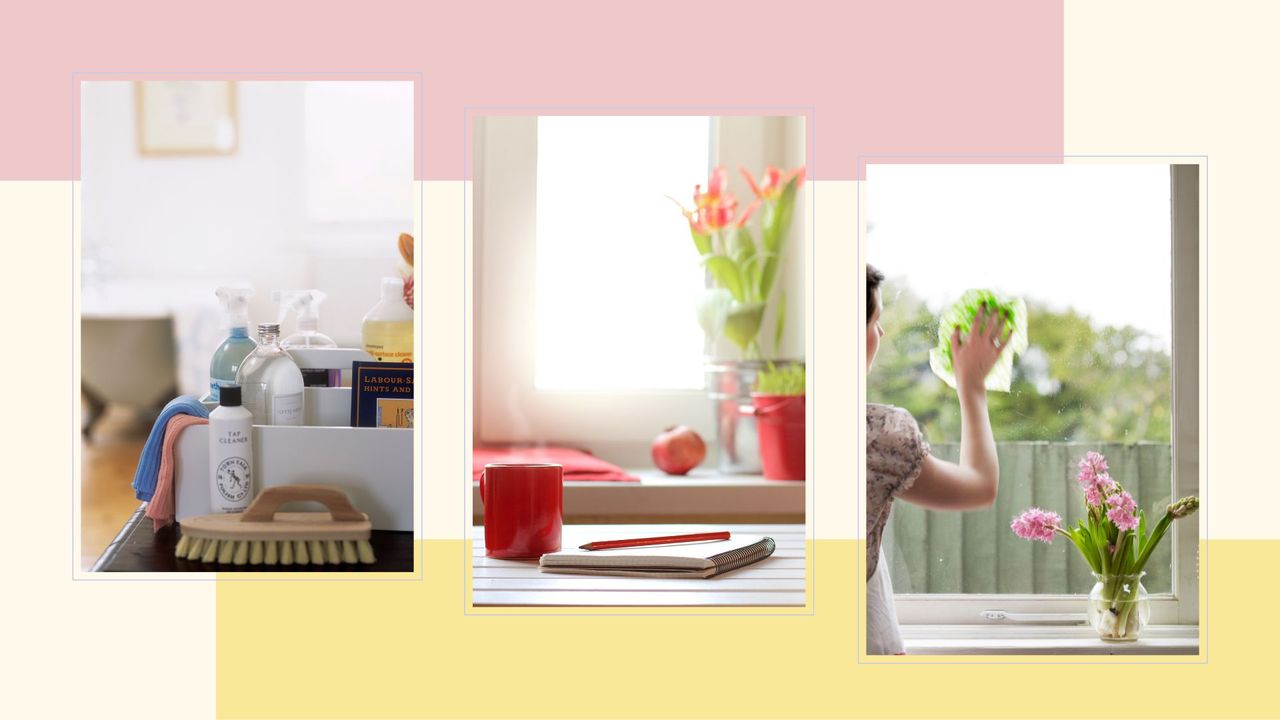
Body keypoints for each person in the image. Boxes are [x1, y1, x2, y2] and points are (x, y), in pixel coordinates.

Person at [865, 264, 1008, 654]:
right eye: (876, 321)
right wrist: (972, 385)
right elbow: (980, 487)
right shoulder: (880, 434)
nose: (881, 333)